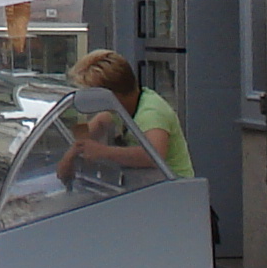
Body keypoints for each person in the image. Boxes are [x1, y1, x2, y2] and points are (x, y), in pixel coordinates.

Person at [61, 50, 194, 177]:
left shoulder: (151, 113)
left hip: (173, 187)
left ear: (112, 94)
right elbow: (98, 124)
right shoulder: (119, 108)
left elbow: (153, 156)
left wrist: (103, 151)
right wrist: (72, 152)